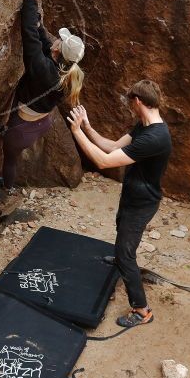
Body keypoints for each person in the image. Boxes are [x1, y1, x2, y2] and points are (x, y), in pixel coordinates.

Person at [66, 80, 172, 328]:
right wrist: (88, 127)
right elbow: (112, 147)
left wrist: (76, 132)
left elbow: (103, 161)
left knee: (126, 254)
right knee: (120, 230)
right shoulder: (144, 127)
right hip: (134, 195)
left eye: (129, 102)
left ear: (137, 102)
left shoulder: (155, 137)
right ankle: (119, 260)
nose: (128, 106)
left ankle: (141, 310)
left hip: (142, 202)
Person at [0, 0, 85, 192]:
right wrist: (38, 21)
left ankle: (5, 189)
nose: (55, 38)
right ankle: (7, 184)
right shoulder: (69, 73)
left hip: (20, 129)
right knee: (12, 157)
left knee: (9, 158)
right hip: (41, 121)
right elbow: (42, 39)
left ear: (58, 51)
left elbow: (29, 34)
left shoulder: (42, 68)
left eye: (59, 40)